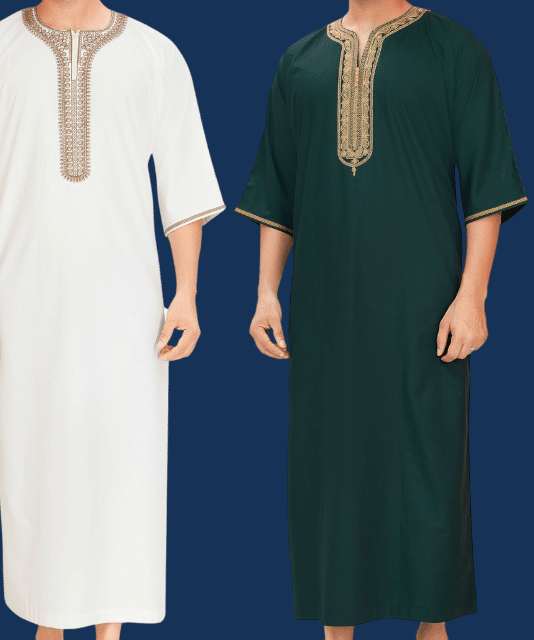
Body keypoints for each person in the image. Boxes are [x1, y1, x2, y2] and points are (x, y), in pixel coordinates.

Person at [0, 2, 222, 638]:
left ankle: (111, 627)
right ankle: (49, 625)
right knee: (36, 462)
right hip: (23, 302)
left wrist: (187, 294)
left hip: (129, 306)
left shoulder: (155, 54)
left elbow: (185, 181)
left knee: (123, 460)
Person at [235, 2, 524, 638]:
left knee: (427, 460)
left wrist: (473, 295)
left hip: (425, 305)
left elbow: (486, 182)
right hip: (325, 309)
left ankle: (431, 625)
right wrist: (266, 292)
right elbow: (278, 189)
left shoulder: (455, 50)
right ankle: (338, 627)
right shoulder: (300, 61)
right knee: (331, 465)